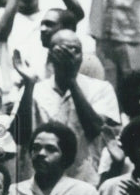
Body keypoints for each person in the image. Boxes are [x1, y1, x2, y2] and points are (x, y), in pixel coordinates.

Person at [28, 29, 120, 184]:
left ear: (82, 57)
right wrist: (28, 85)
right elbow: (20, 136)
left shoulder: (102, 88)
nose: (69, 56)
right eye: (63, 50)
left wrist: (71, 80)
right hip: (42, 180)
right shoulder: (36, 90)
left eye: (75, 51)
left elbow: (95, 129)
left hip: (84, 179)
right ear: (50, 55)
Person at [5, 122, 99, 195]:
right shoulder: (12, 194)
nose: (41, 153)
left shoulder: (85, 192)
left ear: (65, 155)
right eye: (36, 148)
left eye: (50, 149)